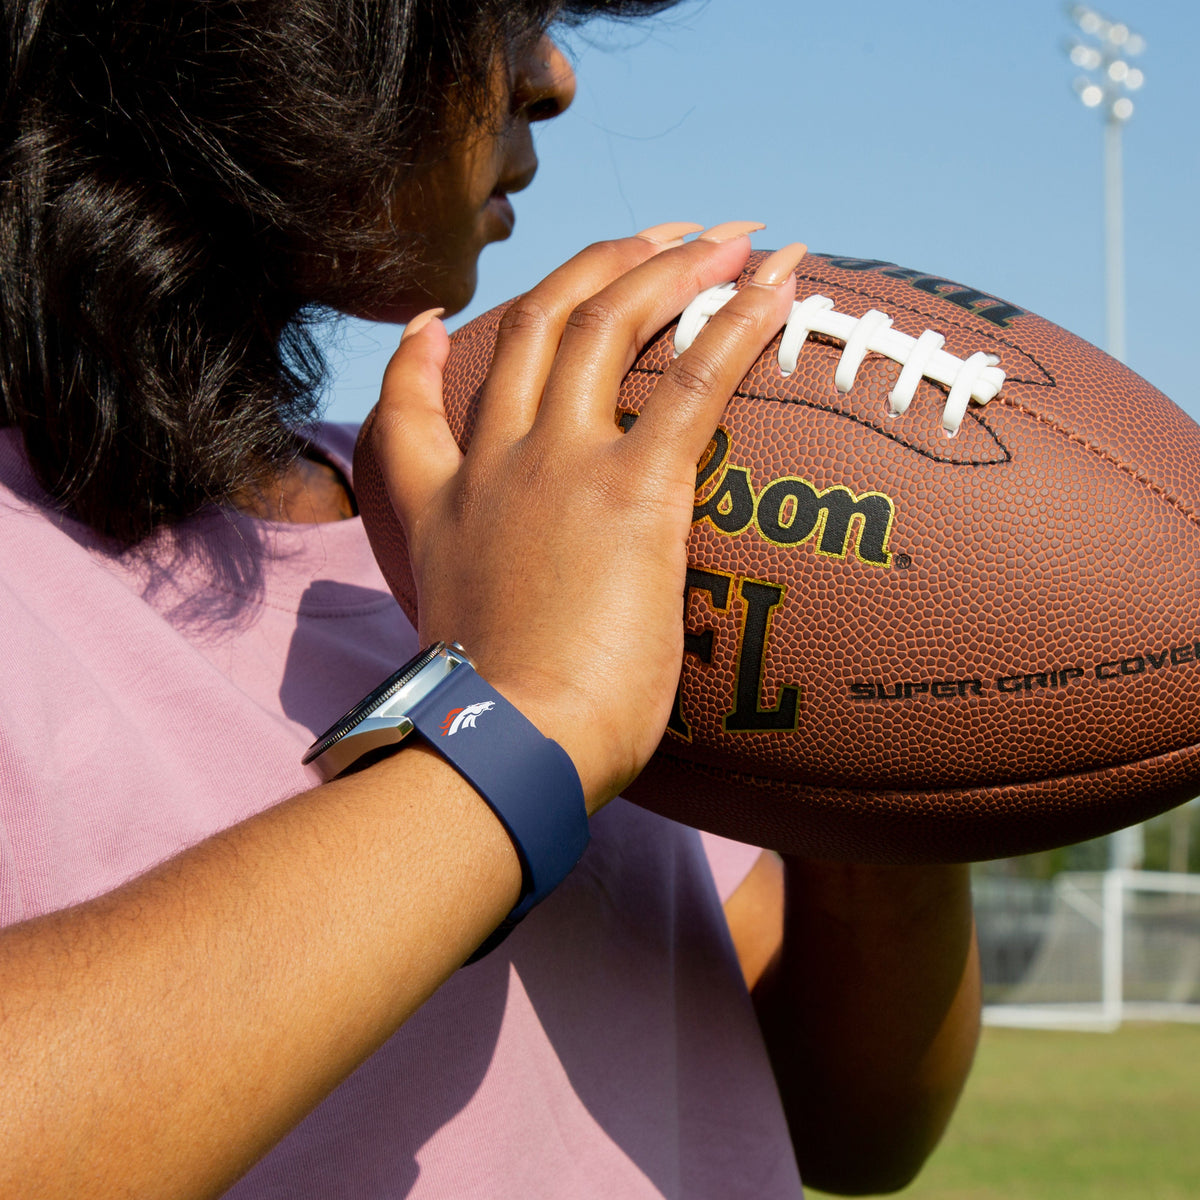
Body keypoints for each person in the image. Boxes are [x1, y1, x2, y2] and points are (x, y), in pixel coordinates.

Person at [0, 1, 981, 1196]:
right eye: (502, 8)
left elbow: (851, 1127)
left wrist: (877, 722)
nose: (553, 75)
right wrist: (521, 713)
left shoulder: (509, 521)